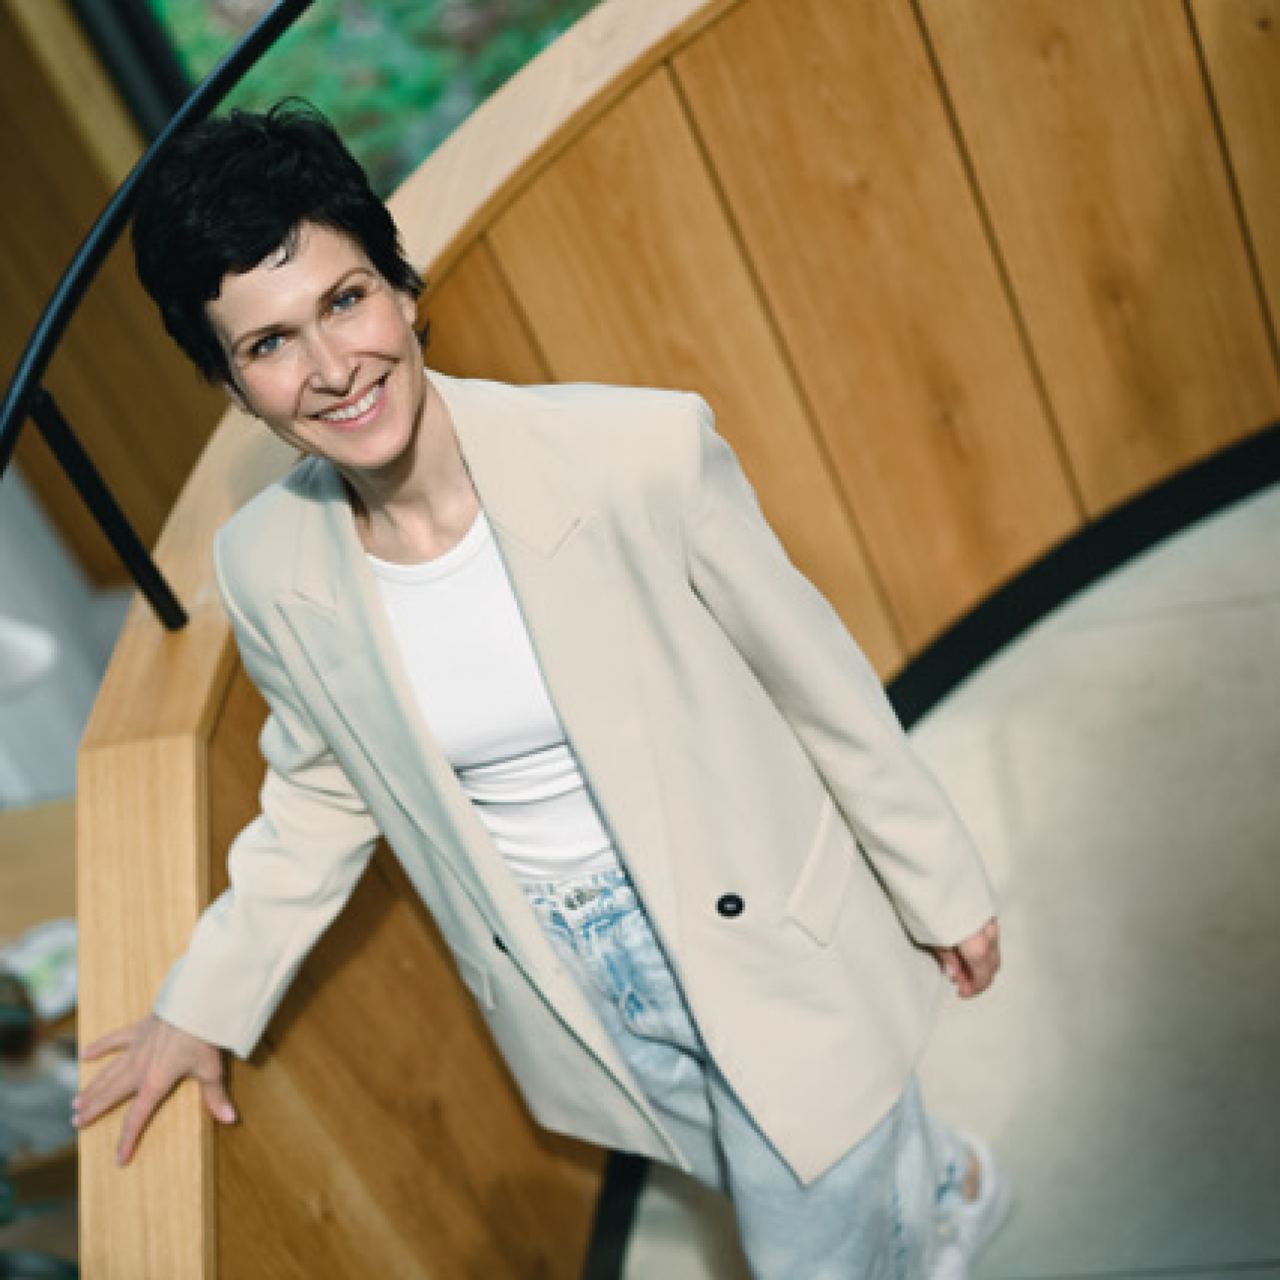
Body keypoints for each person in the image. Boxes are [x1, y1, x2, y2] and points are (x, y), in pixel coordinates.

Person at [73, 101, 1009, 1278]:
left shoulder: (635, 454)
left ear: (401, 285)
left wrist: (937, 882)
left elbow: (815, 681)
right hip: (573, 977)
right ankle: (942, 1180)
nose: (331, 369)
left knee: (813, 1250)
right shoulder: (267, 568)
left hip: (766, 932)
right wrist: (203, 998)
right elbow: (320, 791)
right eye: (268, 345)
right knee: (779, 1165)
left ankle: (922, 1203)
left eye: (345, 300)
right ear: (230, 384)